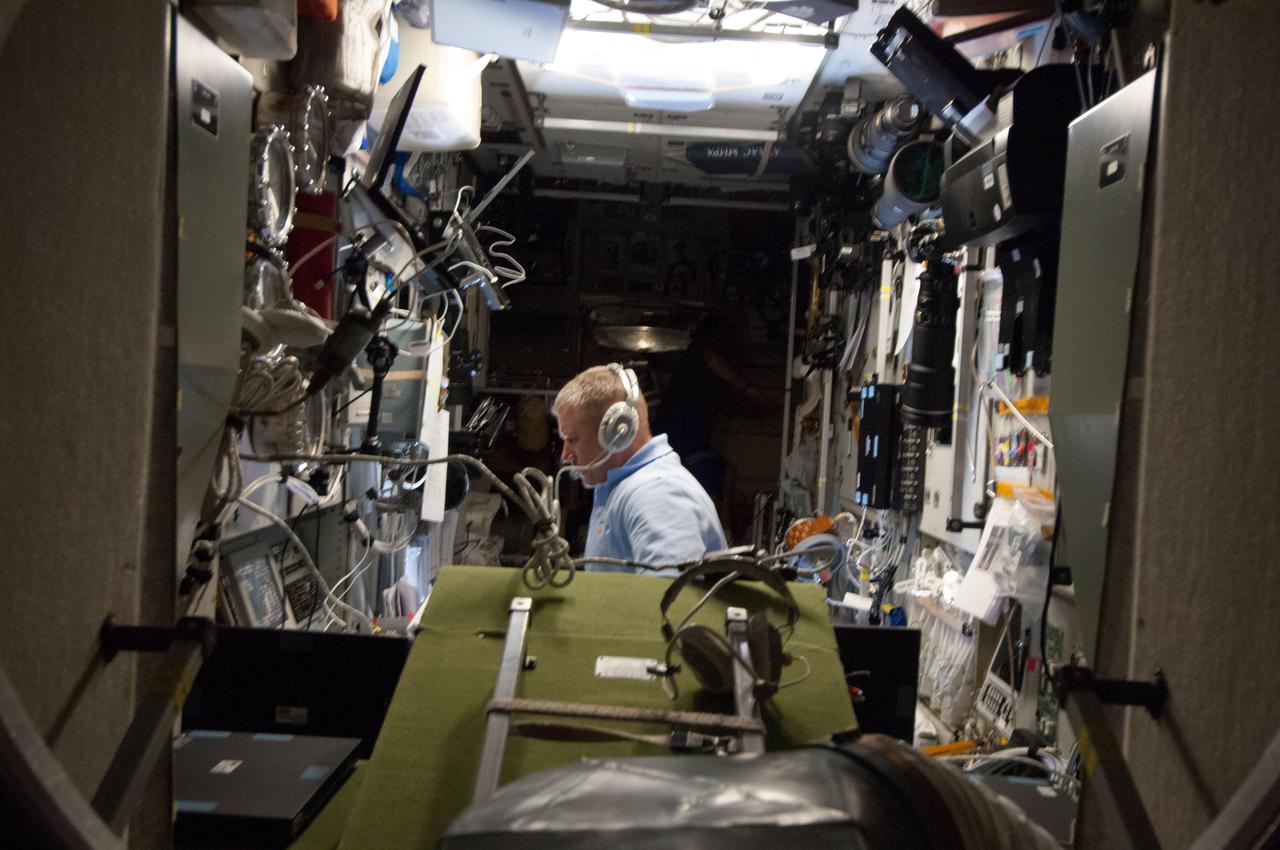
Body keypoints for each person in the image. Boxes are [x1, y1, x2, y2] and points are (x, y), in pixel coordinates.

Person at [553, 364, 726, 572]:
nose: (565, 455)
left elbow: (663, 600)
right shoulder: (620, 487)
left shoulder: (658, 495)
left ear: (616, 432)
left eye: (572, 439)